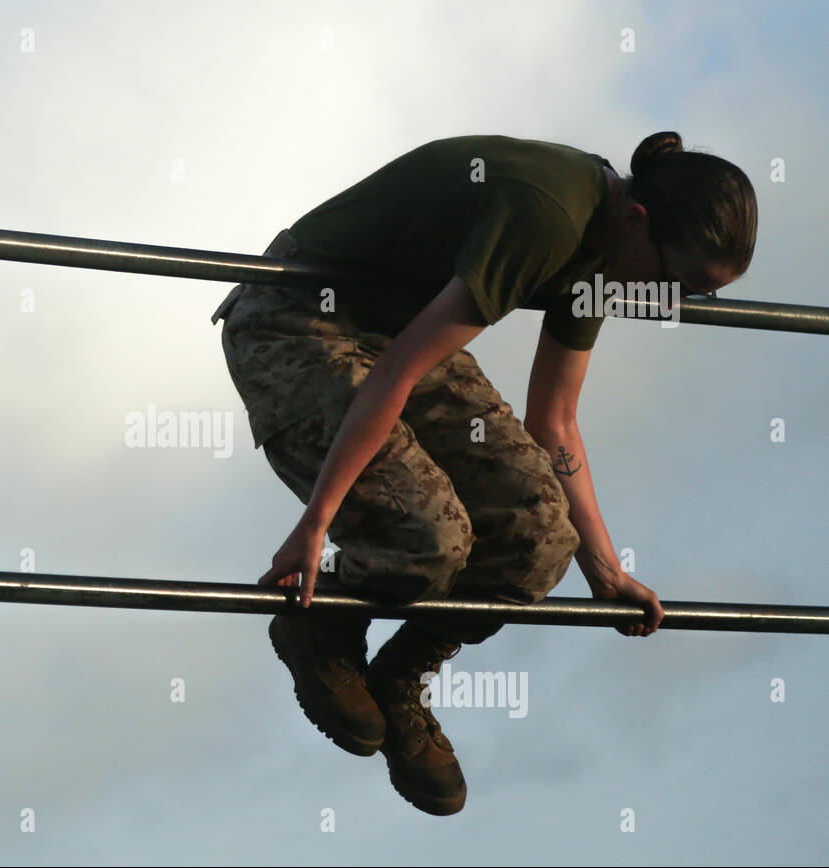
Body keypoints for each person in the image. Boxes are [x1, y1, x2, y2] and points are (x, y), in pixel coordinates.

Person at [210, 132, 758, 816]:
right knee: (429, 539)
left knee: (540, 539)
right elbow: (400, 372)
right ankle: (317, 630)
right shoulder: (550, 216)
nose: (665, 302)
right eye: (675, 284)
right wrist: (316, 523)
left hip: (396, 332)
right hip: (297, 320)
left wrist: (606, 572)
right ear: (638, 222)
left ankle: (399, 677)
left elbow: (555, 420)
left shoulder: (604, 253)